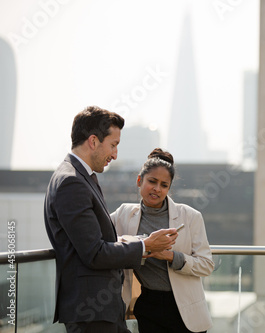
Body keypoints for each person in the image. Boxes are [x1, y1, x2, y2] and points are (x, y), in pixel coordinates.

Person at [44, 106, 178, 333]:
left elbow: (93, 241)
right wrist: (146, 245)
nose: (115, 154)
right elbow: (94, 253)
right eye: (113, 145)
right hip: (90, 311)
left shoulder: (80, 177)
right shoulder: (72, 182)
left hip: (98, 309)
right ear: (93, 141)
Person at [111, 148, 214, 333]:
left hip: (186, 308)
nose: (157, 189)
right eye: (152, 181)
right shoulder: (123, 214)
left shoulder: (190, 216)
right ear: (139, 181)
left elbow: (206, 265)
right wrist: (140, 245)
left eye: (164, 185)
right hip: (149, 306)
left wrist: (170, 256)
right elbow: (101, 239)